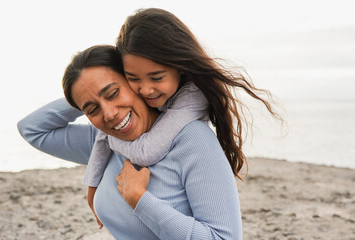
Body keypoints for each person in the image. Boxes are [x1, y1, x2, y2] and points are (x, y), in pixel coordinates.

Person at [18, 45, 243, 239]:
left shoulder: (192, 138)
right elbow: (33, 129)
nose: (108, 114)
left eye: (113, 93)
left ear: (133, 83)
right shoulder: (105, 142)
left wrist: (139, 199)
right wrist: (83, 91)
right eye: (93, 109)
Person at [84, 7, 280, 226]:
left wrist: (112, 137)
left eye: (156, 77)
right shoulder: (148, 99)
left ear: (180, 66)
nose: (146, 90)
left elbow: (145, 152)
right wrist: (92, 188)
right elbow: (93, 134)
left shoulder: (193, 97)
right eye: (133, 78)